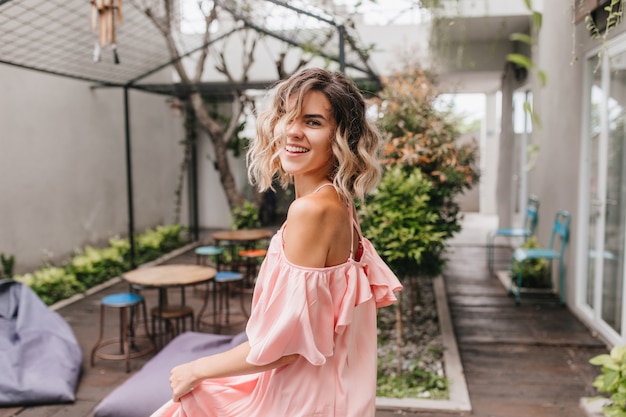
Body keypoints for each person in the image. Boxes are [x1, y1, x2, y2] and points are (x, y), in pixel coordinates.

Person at [151, 67, 402, 417]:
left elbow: (287, 346)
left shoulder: (312, 211)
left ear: (340, 137)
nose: (293, 131)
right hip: (327, 392)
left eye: (313, 122)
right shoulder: (340, 205)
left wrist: (196, 369)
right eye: (286, 116)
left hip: (301, 401)